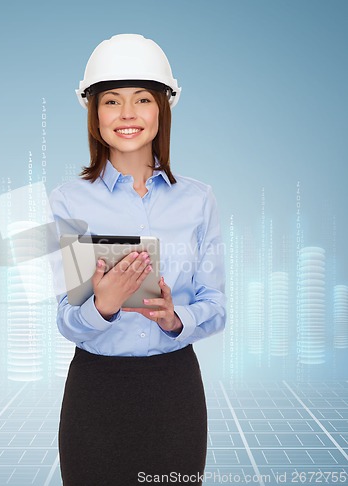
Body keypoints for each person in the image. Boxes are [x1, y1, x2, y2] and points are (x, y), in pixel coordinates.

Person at [49, 33, 226, 486]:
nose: (127, 114)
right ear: (94, 113)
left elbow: (216, 305)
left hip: (174, 393)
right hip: (96, 393)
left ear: (163, 108)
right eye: (112, 101)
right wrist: (103, 305)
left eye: (142, 99)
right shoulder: (69, 201)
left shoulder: (198, 200)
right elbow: (67, 319)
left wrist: (175, 318)